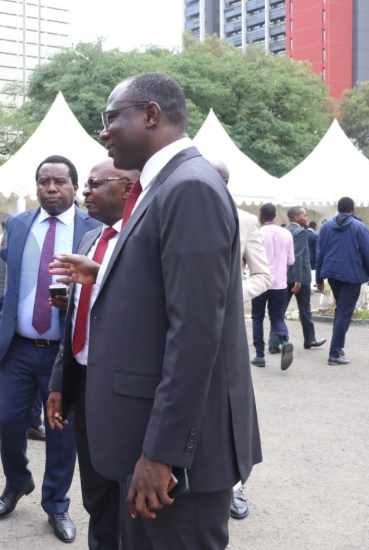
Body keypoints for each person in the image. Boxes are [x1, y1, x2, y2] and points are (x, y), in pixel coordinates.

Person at [51, 72, 262, 549]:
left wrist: (162, 454)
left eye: (110, 119)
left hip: (173, 456)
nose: (103, 133)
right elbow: (162, 293)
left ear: (150, 114)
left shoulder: (189, 187)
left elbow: (195, 334)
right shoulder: (164, 185)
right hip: (143, 437)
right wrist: (102, 273)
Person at [0, 154, 100, 543]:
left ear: (74, 186)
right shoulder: (17, 224)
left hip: (63, 353)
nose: (51, 188)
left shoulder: (95, 229)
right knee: (7, 423)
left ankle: (56, 505)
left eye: (59, 182)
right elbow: (2, 274)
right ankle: (17, 483)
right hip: (15, 349)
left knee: (61, 433)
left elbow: (106, 286)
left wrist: (80, 299)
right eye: (44, 182)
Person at [46, 158, 140, 549]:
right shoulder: (89, 240)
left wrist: (101, 275)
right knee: (96, 493)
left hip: (123, 391)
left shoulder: (142, 240)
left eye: (94, 184)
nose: (84, 192)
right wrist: (58, 384)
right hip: (83, 383)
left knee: (128, 497)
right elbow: (73, 325)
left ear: (126, 187)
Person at [209, 158, 270, 521]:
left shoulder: (245, 220)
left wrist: (230, 295)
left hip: (226, 329)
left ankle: (234, 485)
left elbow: (263, 275)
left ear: (227, 182)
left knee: (230, 406)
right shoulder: (178, 212)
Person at [315, 197, 369, 365]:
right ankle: (334, 353)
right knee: (344, 311)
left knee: (340, 310)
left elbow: (320, 252)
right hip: (352, 275)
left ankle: (338, 348)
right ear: (353, 209)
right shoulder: (359, 226)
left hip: (332, 273)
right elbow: (368, 253)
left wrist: (319, 278)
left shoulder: (326, 226)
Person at [250, 203, 295, 370]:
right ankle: (284, 341)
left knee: (257, 317)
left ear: (261, 215)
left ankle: (260, 355)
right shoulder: (287, 233)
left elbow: (248, 256)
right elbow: (291, 260)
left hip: (259, 281)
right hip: (280, 283)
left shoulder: (257, 233)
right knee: (277, 317)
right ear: (275, 216)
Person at [279, 207, 326, 351]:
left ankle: (274, 342)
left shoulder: (285, 230)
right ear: (295, 217)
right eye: (304, 215)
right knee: (305, 309)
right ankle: (310, 340)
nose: (307, 218)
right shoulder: (300, 232)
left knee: (280, 311)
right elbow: (297, 256)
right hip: (299, 277)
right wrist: (298, 280)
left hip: (285, 275)